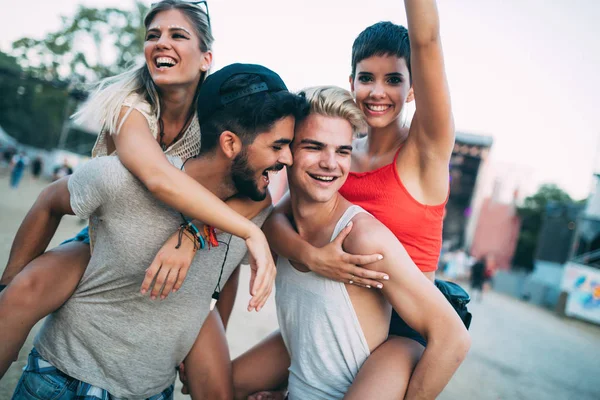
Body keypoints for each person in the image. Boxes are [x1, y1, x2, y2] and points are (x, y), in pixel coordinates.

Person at [0, 0, 274, 379]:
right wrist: (9, 279)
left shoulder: (214, 114)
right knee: (21, 294)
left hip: (194, 237)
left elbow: (255, 188)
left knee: (214, 372)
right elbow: (157, 177)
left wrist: (195, 234)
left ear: (206, 58)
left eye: (178, 35)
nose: (162, 42)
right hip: (114, 234)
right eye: (153, 36)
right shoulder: (131, 107)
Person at [10, 63, 307, 399]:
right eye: (278, 145)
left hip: (152, 392)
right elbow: (48, 201)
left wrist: (194, 237)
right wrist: (10, 281)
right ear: (229, 144)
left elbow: (223, 272)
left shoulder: (256, 208)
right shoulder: (122, 179)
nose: (289, 158)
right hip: (61, 381)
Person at [256, 0, 464, 397]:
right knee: (227, 384)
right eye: (367, 78)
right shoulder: (342, 157)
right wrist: (312, 255)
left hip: (404, 329)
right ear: (350, 83)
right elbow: (275, 220)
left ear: (414, 87)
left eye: (393, 80)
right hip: (337, 314)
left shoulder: (425, 151)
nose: (377, 91)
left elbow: (427, 40)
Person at [231, 86, 469, 400]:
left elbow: (453, 338)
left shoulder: (363, 238)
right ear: (287, 151)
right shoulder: (282, 223)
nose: (331, 163)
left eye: (343, 151)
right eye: (314, 147)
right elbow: (268, 219)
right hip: (296, 384)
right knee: (218, 384)